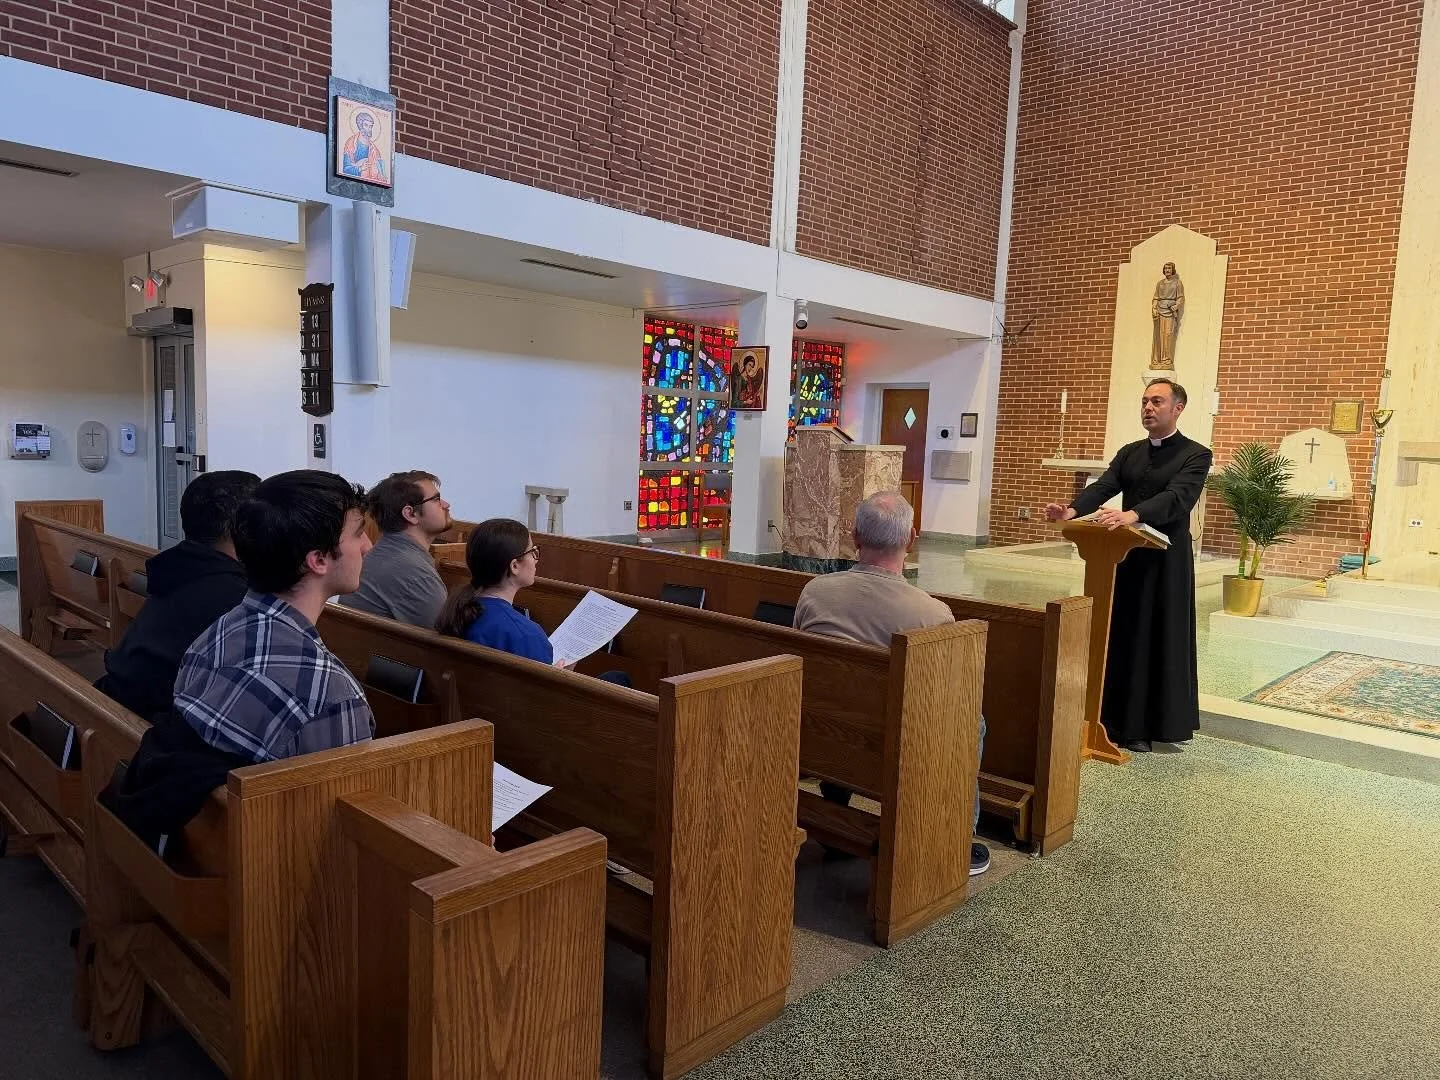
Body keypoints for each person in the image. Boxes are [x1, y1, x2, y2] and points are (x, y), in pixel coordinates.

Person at [793, 490, 990, 876]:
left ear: (855, 537)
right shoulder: (932, 613)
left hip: (817, 738)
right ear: (911, 538)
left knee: (840, 697)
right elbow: (941, 698)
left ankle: (837, 797)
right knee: (972, 722)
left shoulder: (814, 592)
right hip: (889, 752)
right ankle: (959, 839)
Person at [1044, 377, 1212, 752]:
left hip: (1165, 560)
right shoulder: (1130, 451)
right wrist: (1071, 510)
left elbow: (1178, 498)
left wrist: (1132, 514)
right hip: (1124, 556)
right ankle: (1110, 717)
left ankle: (1146, 726)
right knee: (1122, 632)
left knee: (1154, 635)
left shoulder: (1196, 455)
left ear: (1177, 408)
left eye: (1157, 402)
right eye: (1144, 402)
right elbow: (1105, 486)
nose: (1148, 408)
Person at [173, 469, 377, 763]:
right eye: (358, 534)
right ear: (318, 559)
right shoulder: (330, 694)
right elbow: (340, 800)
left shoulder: (213, 636)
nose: (368, 546)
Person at [95, 470, 260, 721]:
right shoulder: (236, 596)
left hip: (118, 700)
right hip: (151, 723)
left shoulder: (179, 568)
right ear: (244, 529)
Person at [340, 470, 450, 627]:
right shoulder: (416, 576)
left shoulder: (378, 555)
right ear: (410, 514)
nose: (446, 505)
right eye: (436, 500)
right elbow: (446, 646)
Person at [1151, 261, 1184, 369]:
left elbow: (1180, 297)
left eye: (1169, 268)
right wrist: (1154, 308)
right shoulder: (1159, 283)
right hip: (1159, 310)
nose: (1167, 270)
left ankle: (1167, 360)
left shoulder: (1177, 283)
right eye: (1165, 269)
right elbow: (1156, 298)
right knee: (1158, 336)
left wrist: (1177, 305)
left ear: (1172, 270)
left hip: (1170, 310)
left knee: (1168, 335)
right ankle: (1157, 360)